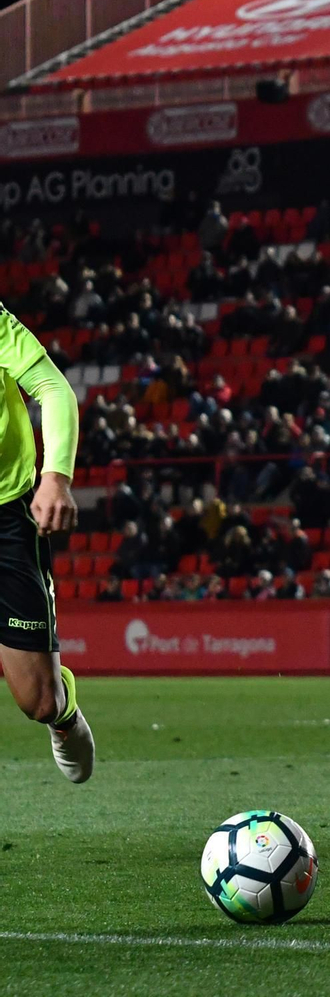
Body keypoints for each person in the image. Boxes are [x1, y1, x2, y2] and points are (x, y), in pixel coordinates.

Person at [0, 304, 93, 782]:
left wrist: (55, 478)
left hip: (6, 514)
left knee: (38, 700)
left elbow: (53, 389)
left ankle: (63, 711)